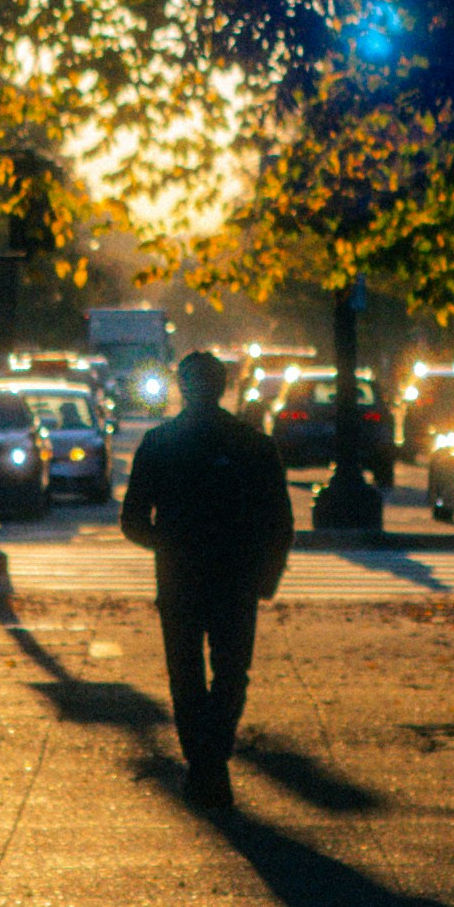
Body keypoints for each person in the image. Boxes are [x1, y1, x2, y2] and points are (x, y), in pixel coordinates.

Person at [122, 347, 294, 810]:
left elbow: (132, 520)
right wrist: (264, 576)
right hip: (236, 578)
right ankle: (211, 760)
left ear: (183, 387)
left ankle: (204, 763)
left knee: (186, 676)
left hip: (179, 578)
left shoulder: (159, 443)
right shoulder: (254, 445)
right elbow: (279, 522)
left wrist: (169, 544)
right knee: (232, 672)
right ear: (224, 388)